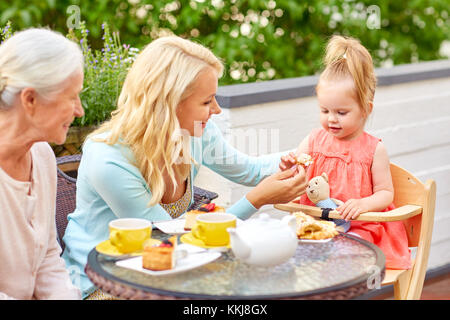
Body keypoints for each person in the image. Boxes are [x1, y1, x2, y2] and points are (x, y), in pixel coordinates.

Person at [62, 35, 306, 299]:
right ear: (170, 104)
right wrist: (256, 200)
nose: (217, 110)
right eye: (206, 101)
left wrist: (308, 152)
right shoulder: (108, 157)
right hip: (102, 282)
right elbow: (173, 244)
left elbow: (249, 171)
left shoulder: (195, 131)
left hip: (163, 271)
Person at [280, 35, 411, 270]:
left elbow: (385, 193)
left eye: (341, 112)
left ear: (365, 109)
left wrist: (363, 204)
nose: (331, 119)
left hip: (358, 227)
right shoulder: (312, 140)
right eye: (324, 110)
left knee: (343, 258)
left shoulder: (374, 149)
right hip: (314, 223)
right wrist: (289, 166)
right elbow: (296, 176)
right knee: (284, 252)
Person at [0, 28, 84, 299]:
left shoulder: (42, 155)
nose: (80, 110)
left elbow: (47, 256)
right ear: (30, 99)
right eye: (72, 97)